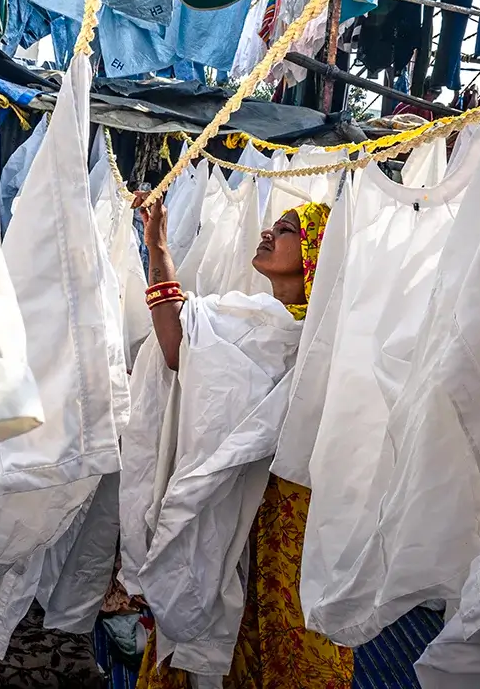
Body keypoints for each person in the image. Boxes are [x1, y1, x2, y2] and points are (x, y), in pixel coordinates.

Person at [131, 191, 353, 689]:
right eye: (273, 224)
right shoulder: (250, 318)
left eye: (290, 228)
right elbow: (178, 347)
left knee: (286, 627)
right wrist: (157, 247)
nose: (269, 232)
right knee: (218, 604)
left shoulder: (330, 339)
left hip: (292, 510)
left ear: (318, 252)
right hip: (233, 497)